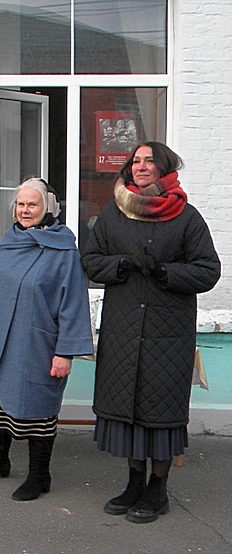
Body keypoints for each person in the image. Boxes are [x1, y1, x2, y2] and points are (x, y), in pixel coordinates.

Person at [81, 142, 220, 523]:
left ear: (164, 168)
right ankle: (133, 484)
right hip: (123, 329)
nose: (140, 167)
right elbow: (91, 261)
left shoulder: (186, 217)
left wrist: (165, 272)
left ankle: (157, 490)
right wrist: (123, 263)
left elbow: (208, 270)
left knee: (160, 411)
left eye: (149, 161)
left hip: (168, 333)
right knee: (126, 408)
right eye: (136, 161)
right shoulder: (114, 212)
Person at [0, 178, 93, 500]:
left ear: (47, 207)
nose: (24, 210)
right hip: (0, 339)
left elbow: (73, 302)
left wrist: (65, 352)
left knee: (38, 407)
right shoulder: (8, 242)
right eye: (20, 204)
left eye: (32, 204)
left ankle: (39, 475)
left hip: (38, 344)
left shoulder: (63, 250)